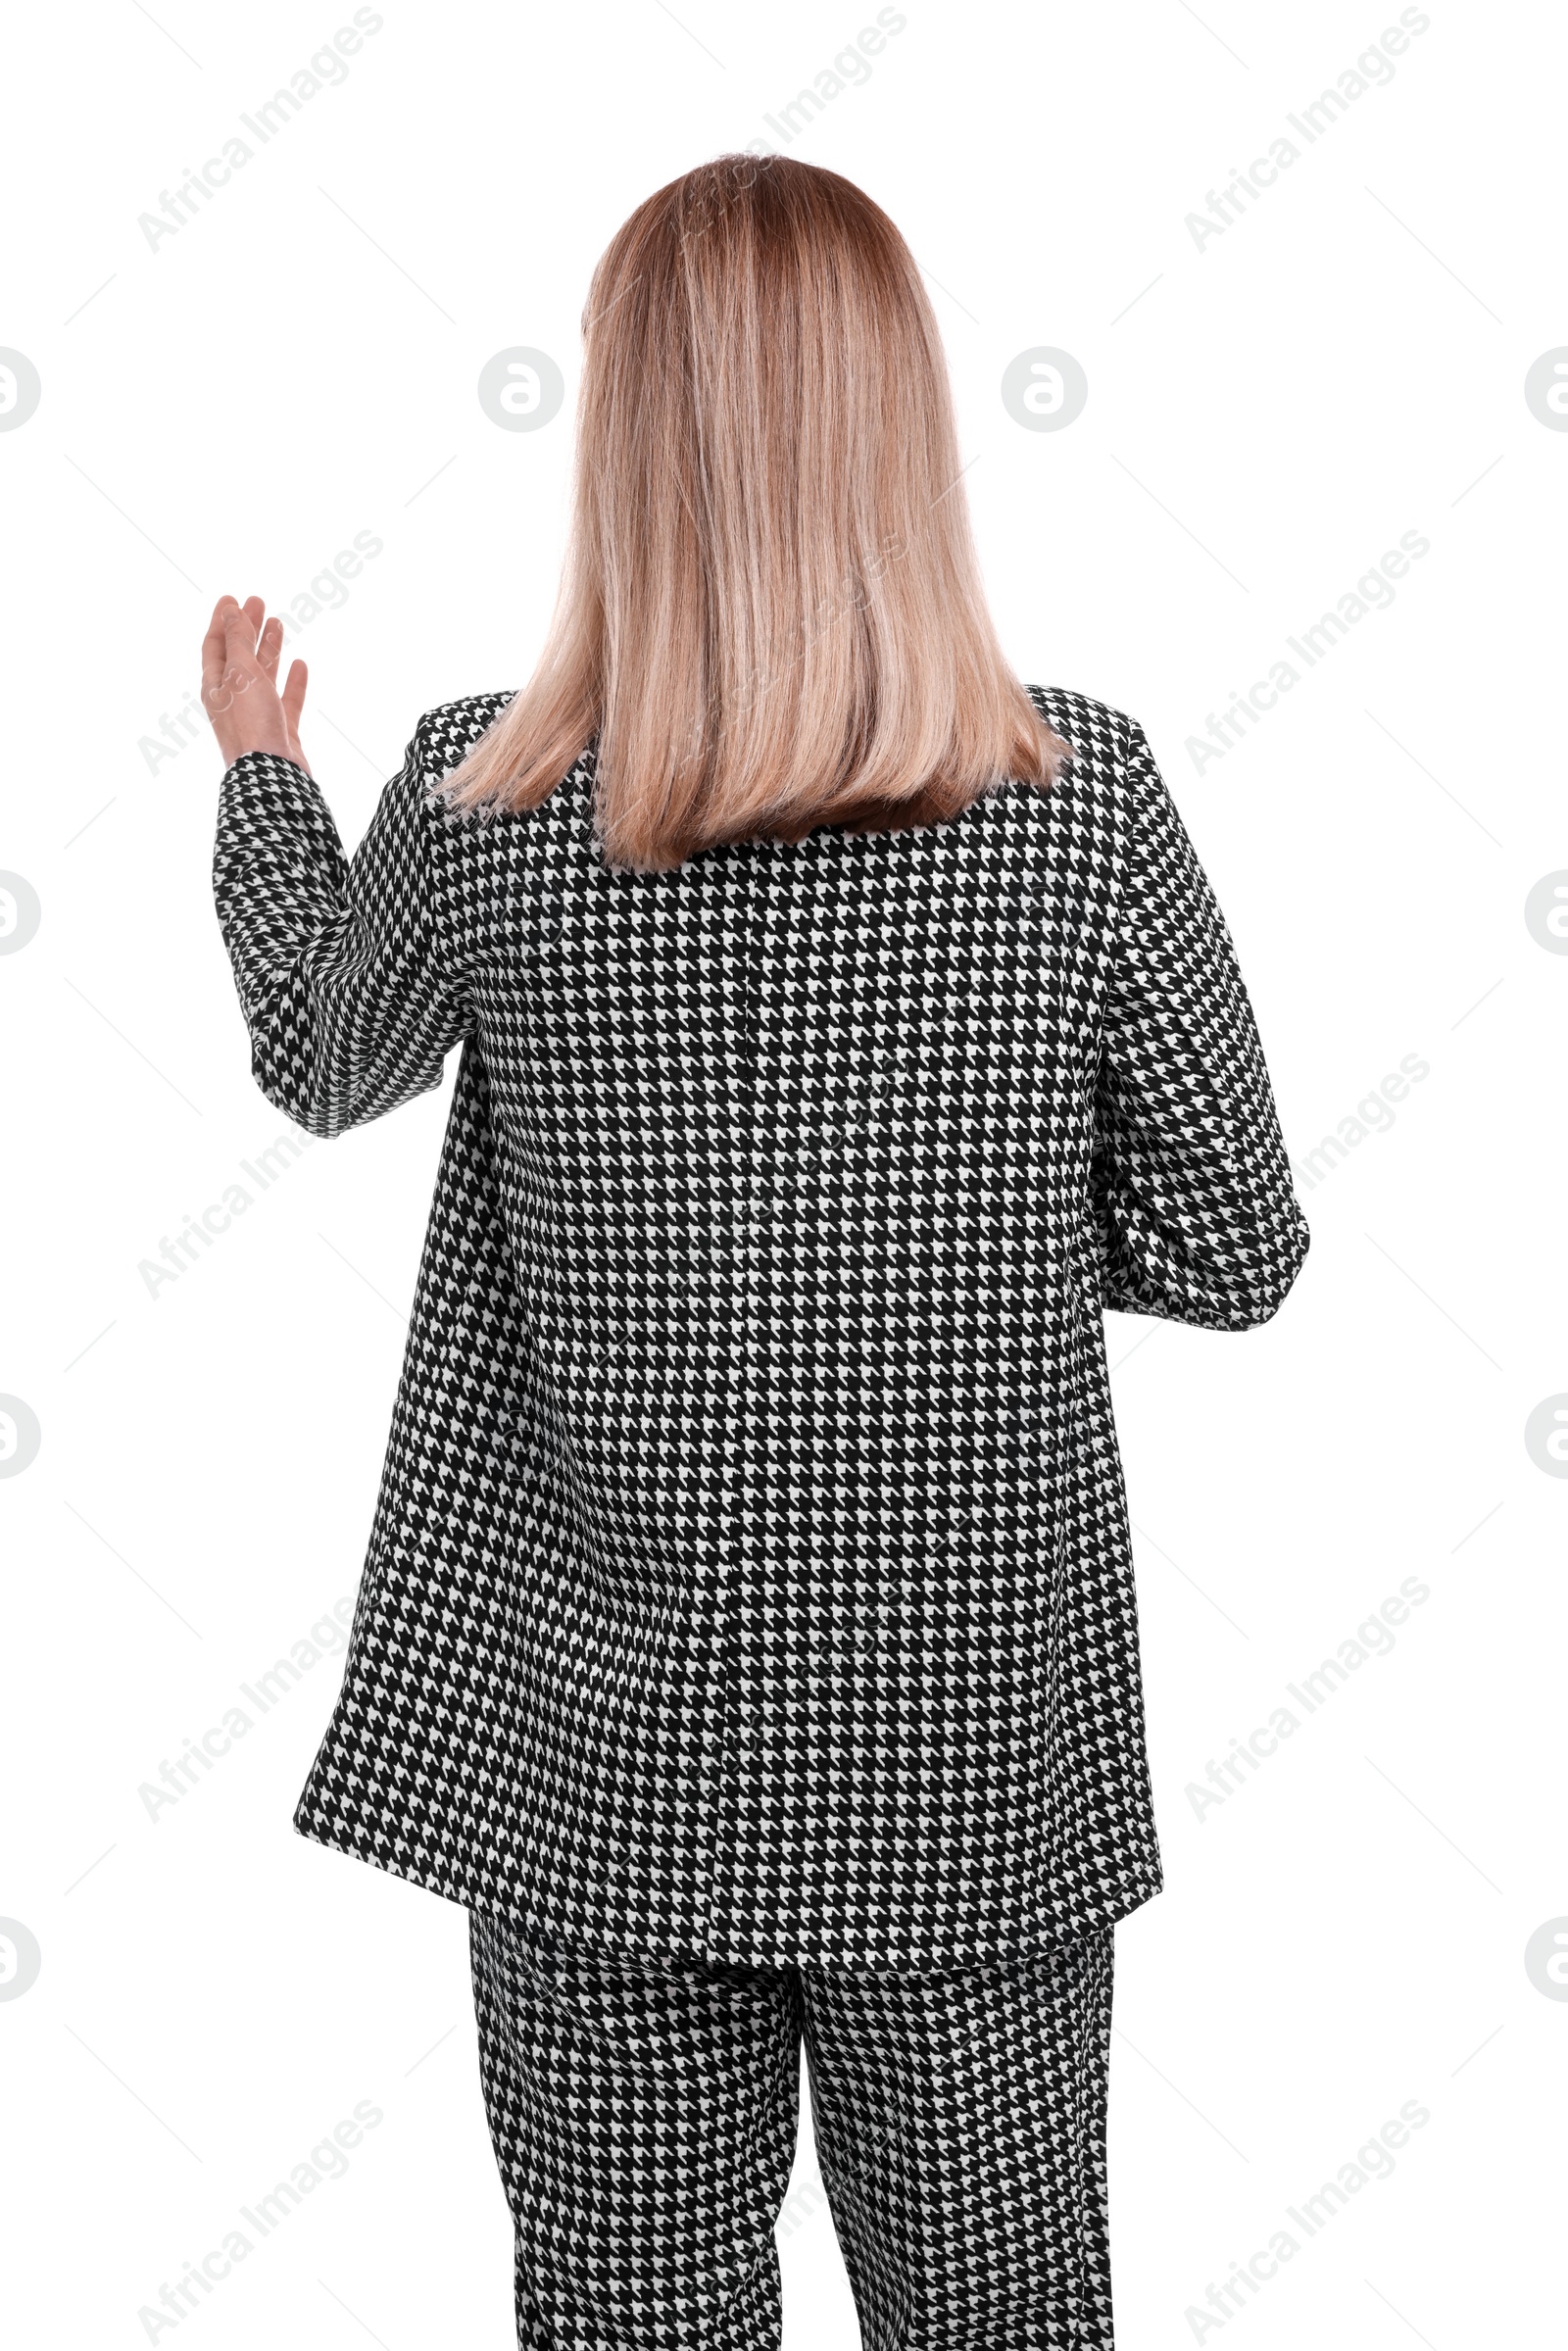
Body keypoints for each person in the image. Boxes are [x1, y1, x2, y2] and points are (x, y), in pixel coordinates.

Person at [204, 152, 1308, 2351]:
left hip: (582, 1751)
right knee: (994, 2321)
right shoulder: (1073, 794)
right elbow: (1231, 1246)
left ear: (619, 433)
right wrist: (950, 1234)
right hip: (965, 1758)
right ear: (898, 424)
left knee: (623, 2322)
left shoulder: (479, 793)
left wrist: (258, 785)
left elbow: (326, 1063)